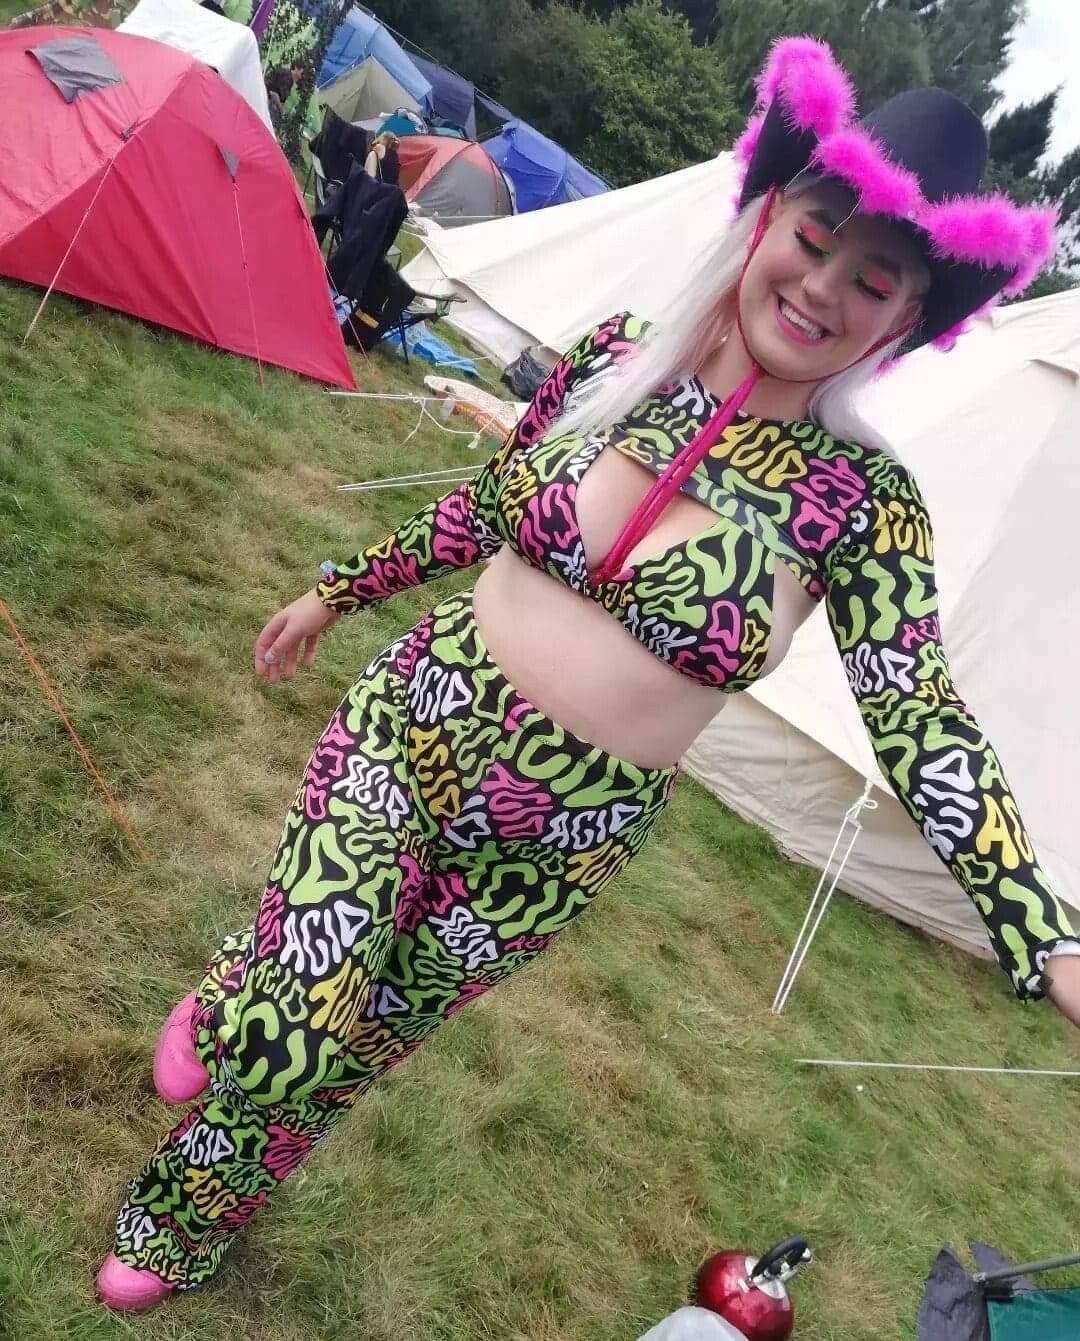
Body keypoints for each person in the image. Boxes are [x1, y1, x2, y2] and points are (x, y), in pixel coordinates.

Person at [97, 35, 1080, 1311]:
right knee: (299, 1024)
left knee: (352, 1051)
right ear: (767, 215)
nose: (824, 286)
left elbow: (922, 720)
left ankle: (182, 1215)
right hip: (420, 726)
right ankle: (248, 996)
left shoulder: (865, 504)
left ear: (905, 320)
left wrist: (1045, 936)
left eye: (874, 279)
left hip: (559, 847)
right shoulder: (620, 359)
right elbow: (488, 507)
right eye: (816, 236)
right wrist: (336, 591)